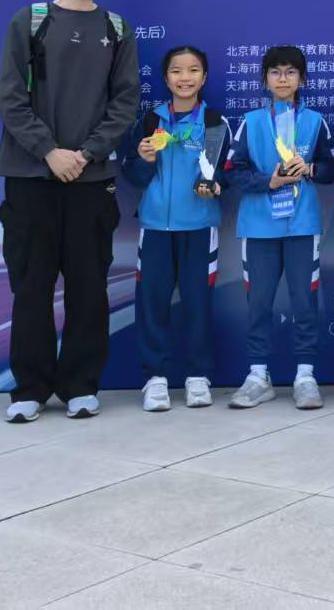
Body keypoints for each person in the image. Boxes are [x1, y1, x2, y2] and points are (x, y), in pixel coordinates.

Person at [0, 0, 140, 423]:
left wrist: (87, 153)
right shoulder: (31, 20)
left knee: (88, 287)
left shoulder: (117, 29)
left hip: (91, 179)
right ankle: (29, 389)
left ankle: (80, 384)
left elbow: (125, 101)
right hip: (31, 175)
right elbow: (10, 97)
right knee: (31, 286)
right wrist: (48, 151)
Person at [228, 45, 334, 410]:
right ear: (265, 79)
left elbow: (331, 170)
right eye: (275, 72)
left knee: (304, 302)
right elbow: (233, 174)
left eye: (291, 72)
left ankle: (305, 376)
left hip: (302, 225)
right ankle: (258, 375)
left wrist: (311, 169)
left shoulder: (316, 122)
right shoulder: (251, 122)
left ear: (302, 79)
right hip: (259, 226)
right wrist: (269, 181)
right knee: (258, 303)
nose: (283, 78)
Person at [124, 45, 232, 412]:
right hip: (155, 226)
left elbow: (225, 174)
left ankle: (198, 376)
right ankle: (155, 377)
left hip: (200, 227)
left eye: (193, 70)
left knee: (197, 303)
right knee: (152, 303)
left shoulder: (214, 122)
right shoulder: (150, 122)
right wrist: (143, 160)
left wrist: (215, 186)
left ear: (204, 77)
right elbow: (133, 176)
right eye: (176, 71)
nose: (185, 78)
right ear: (165, 78)